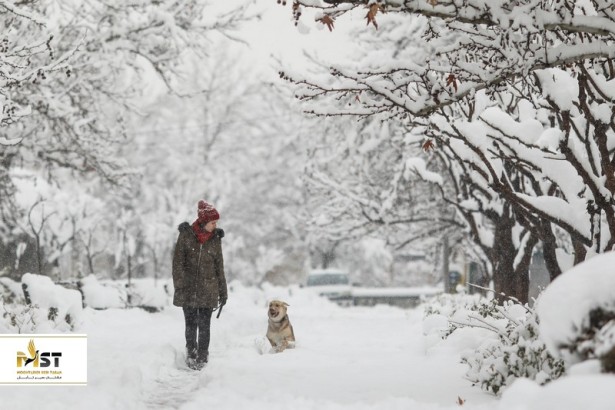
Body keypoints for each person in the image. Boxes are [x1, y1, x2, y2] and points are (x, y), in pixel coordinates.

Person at [172, 200, 227, 370]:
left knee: (204, 326)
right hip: (188, 290)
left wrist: (223, 292)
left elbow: (219, 266)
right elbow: (178, 263)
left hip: (208, 290)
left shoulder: (215, 239)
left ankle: (203, 356)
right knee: (190, 324)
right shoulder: (186, 236)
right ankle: (191, 352)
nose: (215, 225)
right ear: (204, 222)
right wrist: (181, 284)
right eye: (213, 222)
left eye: (215, 222)